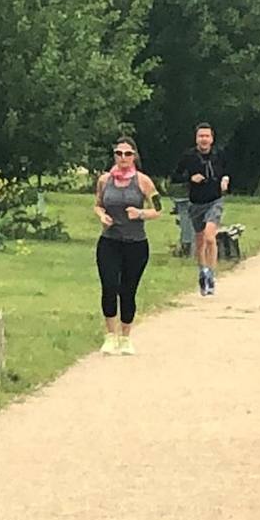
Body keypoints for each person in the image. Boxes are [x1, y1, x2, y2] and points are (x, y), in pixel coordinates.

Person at [94, 137, 161, 356]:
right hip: (109, 241)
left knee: (128, 291)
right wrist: (101, 216)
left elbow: (158, 209)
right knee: (109, 286)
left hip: (136, 244)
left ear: (134, 156)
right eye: (119, 153)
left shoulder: (143, 182)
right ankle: (110, 336)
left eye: (127, 154)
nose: (123, 158)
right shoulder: (105, 180)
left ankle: (125, 337)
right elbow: (97, 205)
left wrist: (140, 213)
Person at [172, 123, 231, 296]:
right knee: (200, 241)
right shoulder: (189, 156)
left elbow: (228, 169)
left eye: (207, 136)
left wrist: (225, 179)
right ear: (196, 139)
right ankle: (202, 272)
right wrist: (190, 178)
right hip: (196, 203)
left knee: (209, 237)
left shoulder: (219, 154)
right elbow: (175, 176)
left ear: (212, 139)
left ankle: (211, 274)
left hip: (215, 200)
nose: (204, 139)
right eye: (201, 136)